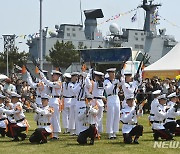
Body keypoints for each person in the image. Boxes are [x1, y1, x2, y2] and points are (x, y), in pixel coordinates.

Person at [39, 70, 62, 139]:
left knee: (55, 118)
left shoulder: (59, 83)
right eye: (53, 75)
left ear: (58, 76)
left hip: (55, 100)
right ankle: (51, 132)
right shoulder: (52, 84)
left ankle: (56, 134)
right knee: (50, 118)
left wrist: (44, 79)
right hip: (51, 100)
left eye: (54, 75)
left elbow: (50, 84)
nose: (53, 76)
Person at [104, 68, 121, 139]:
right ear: (109, 74)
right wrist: (114, 83)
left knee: (117, 115)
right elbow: (109, 90)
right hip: (110, 98)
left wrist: (121, 76)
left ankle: (115, 131)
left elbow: (121, 84)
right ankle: (110, 132)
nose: (113, 74)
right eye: (112, 73)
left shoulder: (115, 81)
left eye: (114, 73)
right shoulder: (106, 81)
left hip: (116, 98)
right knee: (111, 116)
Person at [91, 71, 105, 137]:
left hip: (95, 101)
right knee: (99, 118)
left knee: (95, 118)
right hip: (100, 101)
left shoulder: (94, 83)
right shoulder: (102, 83)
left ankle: (96, 131)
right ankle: (98, 131)